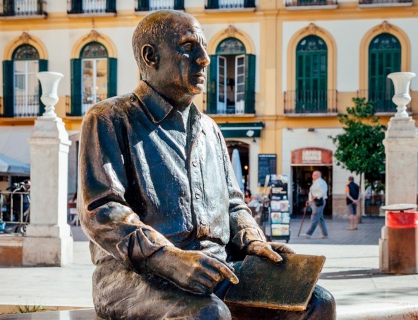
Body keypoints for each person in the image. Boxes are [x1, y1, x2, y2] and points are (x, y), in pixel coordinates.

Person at [78, 10, 335, 320]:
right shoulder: (109, 119)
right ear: (151, 56)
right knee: (207, 315)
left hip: (216, 270)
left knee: (317, 302)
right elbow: (103, 210)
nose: (204, 59)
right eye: (189, 46)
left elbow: (234, 204)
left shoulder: (209, 129)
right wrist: (169, 258)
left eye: (204, 47)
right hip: (133, 278)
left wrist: (254, 242)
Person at [305, 171, 329, 239]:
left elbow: (323, 191)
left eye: (314, 175)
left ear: (319, 175)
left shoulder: (321, 182)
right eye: (313, 175)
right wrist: (309, 200)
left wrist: (316, 196)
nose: (313, 176)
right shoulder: (315, 182)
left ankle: (308, 233)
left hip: (319, 202)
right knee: (320, 218)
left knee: (315, 217)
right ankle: (325, 234)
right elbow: (311, 192)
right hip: (314, 202)